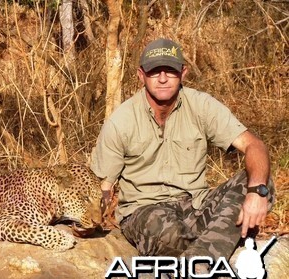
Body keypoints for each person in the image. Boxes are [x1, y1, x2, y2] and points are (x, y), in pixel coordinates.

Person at [90, 38, 275, 264]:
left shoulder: (202, 105)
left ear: (183, 72)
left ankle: (196, 264)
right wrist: (88, 220)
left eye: (170, 70)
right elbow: (103, 187)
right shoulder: (120, 121)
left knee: (260, 181)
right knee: (167, 231)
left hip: (196, 205)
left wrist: (256, 193)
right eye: (154, 71)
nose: (163, 78)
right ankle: (210, 256)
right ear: (141, 75)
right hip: (145, 211)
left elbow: (254, 145)